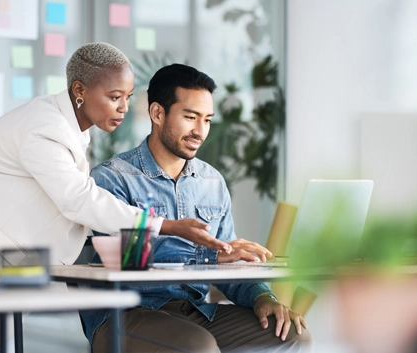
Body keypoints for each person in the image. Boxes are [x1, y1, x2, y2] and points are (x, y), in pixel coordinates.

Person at [0, 43, 232, 353]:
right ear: (79, 90)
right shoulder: (45, 127)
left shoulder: (67, 129)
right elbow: (78, 200)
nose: (124, 107)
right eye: (114, 96)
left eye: (128, 96)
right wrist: (169, 226)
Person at [82, 64, 314, 353]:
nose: (200, 131)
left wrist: (262, 297)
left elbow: (230, 266)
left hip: (195, 312)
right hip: (126, 315)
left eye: (207, 120)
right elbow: (129, 265)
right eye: (190, 117)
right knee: (198, 346)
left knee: (292, 334)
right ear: (157, 113)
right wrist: (210, 255)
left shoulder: (211, 182)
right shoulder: (112, 178)